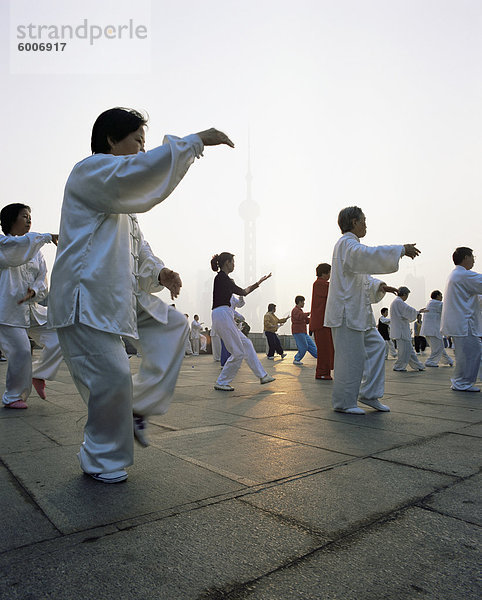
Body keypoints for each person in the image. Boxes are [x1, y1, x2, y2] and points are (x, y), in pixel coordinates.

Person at [48, 107, 234, 483]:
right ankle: (100, 458)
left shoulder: (121, 203)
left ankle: (137, 408)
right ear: (112, 139)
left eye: (143, 144)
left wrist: (160, 271)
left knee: (174, 325)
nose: (140, 150)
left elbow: (139, 248)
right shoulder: (91, 171)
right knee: (112, 378)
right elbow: (141, 175)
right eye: (137, 141)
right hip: (84, 296)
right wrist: (194, 141)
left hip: (116, 293)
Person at [324, 206, 421, 414]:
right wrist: (400, 249)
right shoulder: (346, 244)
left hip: (358, 314)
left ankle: (369, 394)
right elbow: (366, 257)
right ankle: (344, 402)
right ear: (354, 222)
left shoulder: (351, 247)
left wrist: (379, 286)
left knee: (377, 347)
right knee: (349, 358)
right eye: (363, 220)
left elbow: (361, 276)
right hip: (346, 313)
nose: (366, 224)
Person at [0, 203, 63, 409]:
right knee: (21, 351)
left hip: (32, 309)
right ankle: (12, 396)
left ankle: (40, 373)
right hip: (7, 311)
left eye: (30, 216)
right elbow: (15, 253)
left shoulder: (36, 252)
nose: (29, 220)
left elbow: (41, 277)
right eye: (24, 216)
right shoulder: (3, 244)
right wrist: (45, 237)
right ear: (11, 220)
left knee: (63, 333)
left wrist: (35, 291)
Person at [211, 252, 274, 391]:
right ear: (227, 262)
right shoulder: (223, 278)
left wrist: (258, 283)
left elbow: (242, 293)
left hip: (224, 314)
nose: (234, 264)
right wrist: (258, 283)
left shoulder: (223, 278)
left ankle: (263, 375)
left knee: (247, 343)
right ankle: (222, 382)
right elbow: (243, 292)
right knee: (238, 352)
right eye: (233, 262)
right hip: (222, 314)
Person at [441, 247, 482, 392]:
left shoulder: (456, 275)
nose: (473, 260)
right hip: (464, 322)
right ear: (465, 257)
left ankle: (462, 381)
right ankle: (461, 382)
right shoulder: (463, 275)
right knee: (472, 352)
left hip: (461, 321)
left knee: (470, 352)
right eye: (472, 257)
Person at [390, 287, 426, 372]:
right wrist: (418, 312)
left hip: (401, 330)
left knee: (409, 351)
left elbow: (407, 311)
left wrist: (418, 312)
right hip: (401, 330)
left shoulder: (396, 302)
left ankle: (418, 365)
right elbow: (408, 311)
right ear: (405, 294)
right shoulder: (399, 302)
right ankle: (399, 366)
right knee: (404, 351)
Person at [310, 263, 334, 379]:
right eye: (329, 272)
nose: (330, 275)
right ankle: (321, 373)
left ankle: (325, 372)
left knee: (327, 349)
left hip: (324, 322)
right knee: (324, 350)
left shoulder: (321, 284)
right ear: (324, 273)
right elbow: (335, 290)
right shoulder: (319, 284)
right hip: (321, 323)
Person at [421, 290, 453, 367]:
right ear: (437, 296)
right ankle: (430, 361)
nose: (442, 297)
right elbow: (448, 310)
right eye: (441, 295)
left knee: (439, 347)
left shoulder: (430, 303)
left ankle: (448, 360)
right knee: (438, 348)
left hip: (429, 330)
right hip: (433, 330)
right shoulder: (438, 304)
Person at [291, 296, 317, 366]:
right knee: (303, 346)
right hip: (298, 332)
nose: (304, 303)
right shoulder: (295, 310)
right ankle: (297, 359)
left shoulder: (300, 311)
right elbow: (300, 316)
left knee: (311, 345)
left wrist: (313, 318)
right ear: (299, 302)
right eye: (303, 302)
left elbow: (306, 320)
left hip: (303, 332)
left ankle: (319, 357)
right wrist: (308, 314)